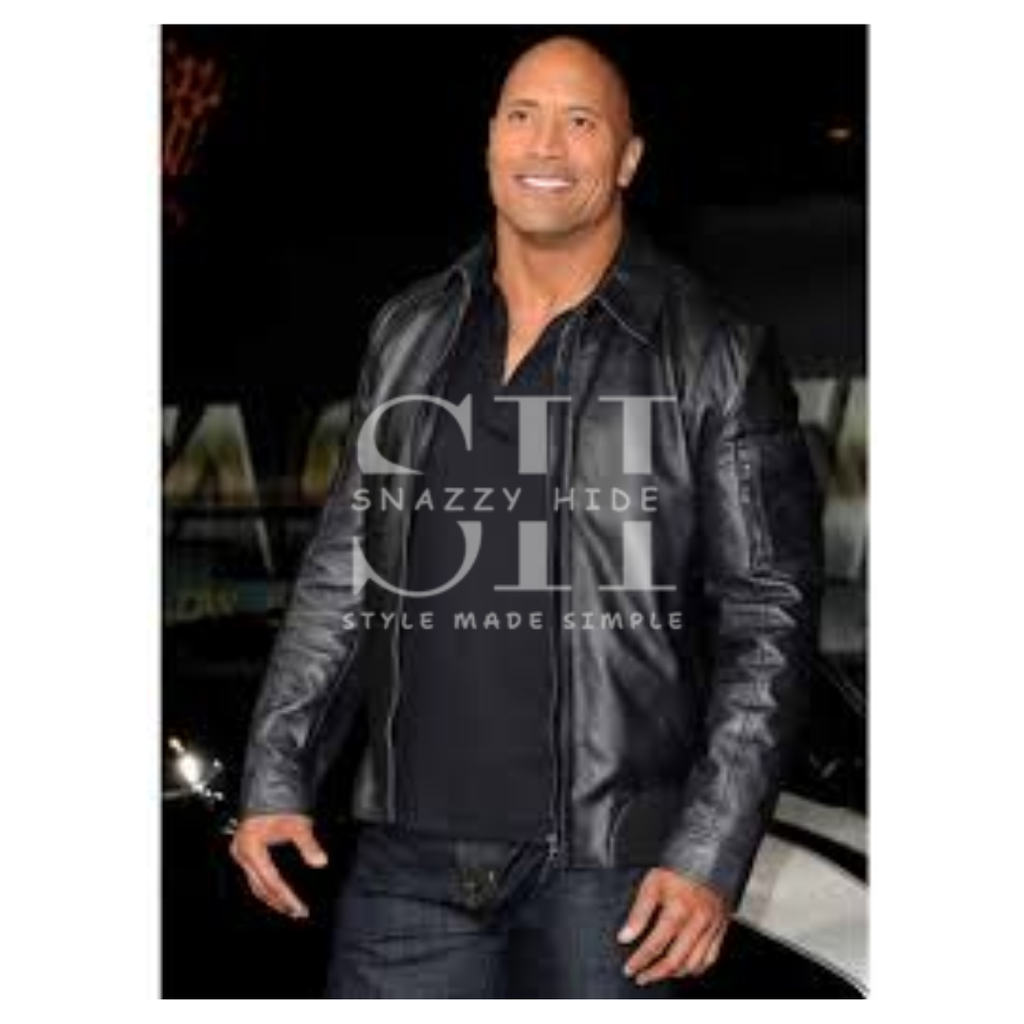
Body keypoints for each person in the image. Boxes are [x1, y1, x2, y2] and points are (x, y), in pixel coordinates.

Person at [230, 35, 822, 998]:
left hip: (610, 875)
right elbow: (343, 573)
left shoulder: (710, 351)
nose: (545, 144)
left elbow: (770, 620)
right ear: (489, 141)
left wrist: (710, 851)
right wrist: (276, 773)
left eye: (580, 121)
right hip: (406, 866)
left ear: (627, 158)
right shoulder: (410, 330)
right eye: (522, 116)